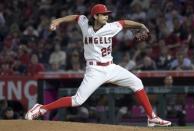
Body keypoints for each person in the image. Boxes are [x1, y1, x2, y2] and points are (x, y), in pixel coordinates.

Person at [25, 4, 171, 127]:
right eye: (103, 14)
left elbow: (124, 22)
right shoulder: (84, 23)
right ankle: (42, 108)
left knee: (137, 82)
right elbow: (75, 17)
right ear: (95, 16)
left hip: (111, 67)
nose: (106, 16)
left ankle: (151, 116)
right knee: (77, 101)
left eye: (107, 14)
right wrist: (58, 20)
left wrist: (140, 25)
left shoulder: (111, 26)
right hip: (94, 69)